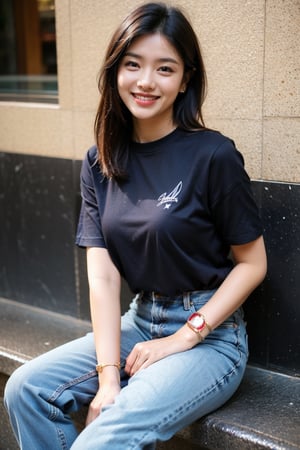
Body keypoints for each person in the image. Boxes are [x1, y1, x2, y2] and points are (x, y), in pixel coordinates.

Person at [4, 2, 267, 449]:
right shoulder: (100, 160)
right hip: (140, 321)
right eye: (133, 65)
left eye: (165, 68)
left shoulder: (213, 156)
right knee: (25, 389)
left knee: (104, 436)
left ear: (185, 79)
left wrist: (184, 337)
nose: (146, 81)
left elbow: (253, 263)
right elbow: (104, 278)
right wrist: (108, 379)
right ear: (115, 72)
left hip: (212, 337)